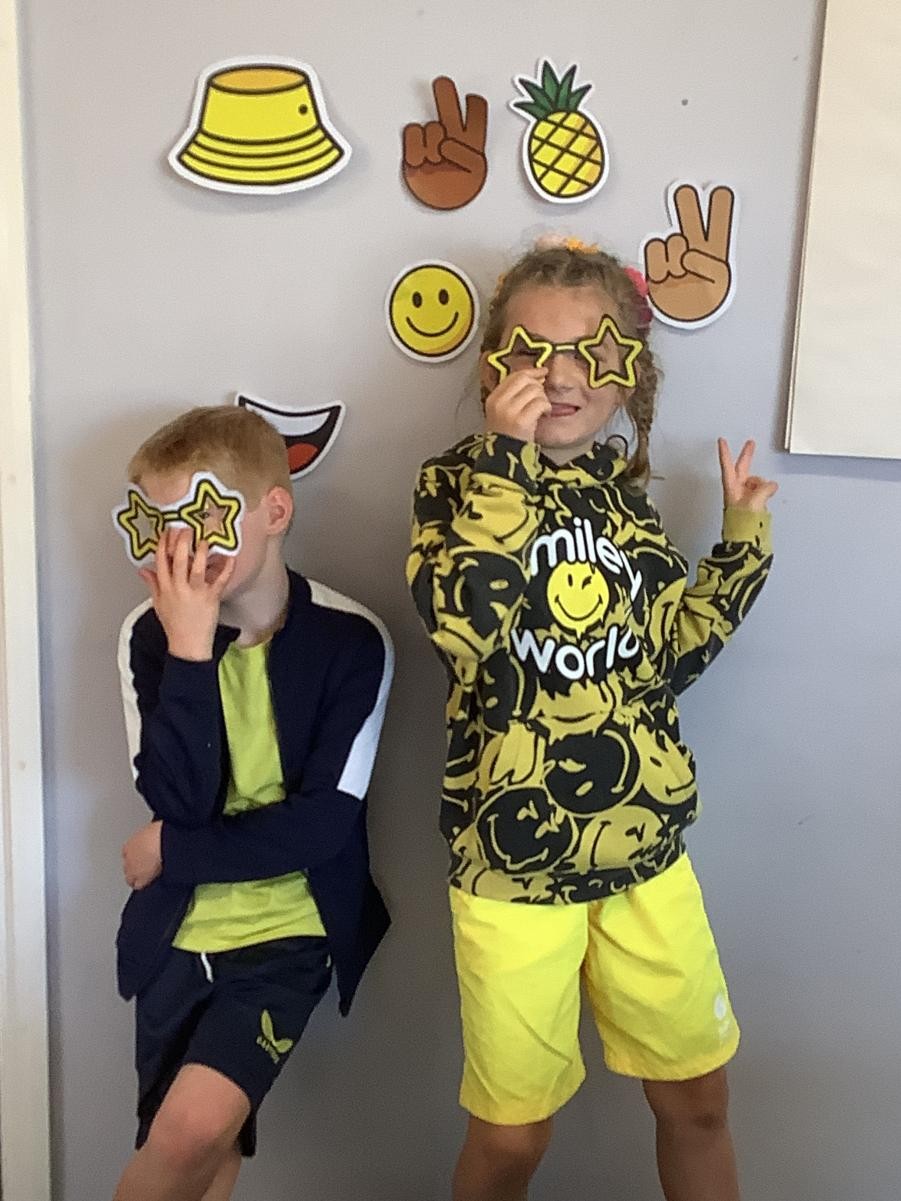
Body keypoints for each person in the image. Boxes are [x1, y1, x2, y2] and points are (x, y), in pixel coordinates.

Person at [406, 238, 777, 1201]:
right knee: (510, 1138)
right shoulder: (454, 483)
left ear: (627, 377)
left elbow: (666, 663)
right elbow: (461, 628)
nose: (559, 375)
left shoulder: (627, 508)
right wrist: (503, 460)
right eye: (531, 351)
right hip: (512, 865)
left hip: (644, 853)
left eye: (588, 352)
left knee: (699, 1101)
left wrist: (741, 543)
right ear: (493, 367)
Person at [112, 405, 393, 1201]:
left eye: (203, 522)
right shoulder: (148, 635)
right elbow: (177, 797)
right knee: (205, 1156)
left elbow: (321, 825)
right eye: (162, 530)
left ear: (274, 510)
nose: (183, 553)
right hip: (175, 933)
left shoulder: (350, 640)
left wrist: (171, 849)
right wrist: (189, 649)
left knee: (191, 1130)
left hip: (287, 932)